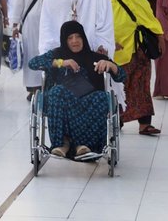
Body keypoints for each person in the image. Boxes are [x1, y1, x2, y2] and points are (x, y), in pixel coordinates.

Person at [29, 21, 125, 157]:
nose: (75, 41)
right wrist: (61, 62)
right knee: (56, 92)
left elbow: (122, 76)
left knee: (102, 98)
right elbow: (33, 63)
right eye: (70, 38)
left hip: (89, 99)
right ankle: (62, 143)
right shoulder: (58, 54)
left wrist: (109, 64)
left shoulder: (95, 57)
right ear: (64, 40)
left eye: (78, 36)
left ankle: (84, 144)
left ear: (83, 38)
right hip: (63, 99)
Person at [111, 0, 164, 135]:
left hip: (140, 49)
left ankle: (145, 124)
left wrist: (160, 36)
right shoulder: (109, 2)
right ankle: (117, 120)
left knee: (142, 85)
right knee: (121, 86)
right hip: (120, 51)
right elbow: (103, 24)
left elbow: (150, 19)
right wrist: (110, 41)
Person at [12, 0, 50, 101]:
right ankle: (32, 89)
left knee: (46, 56)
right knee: (31, 56)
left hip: (47, 27)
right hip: (29, 27)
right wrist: (15, 25)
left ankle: (45, 87)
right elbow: (18, 5)